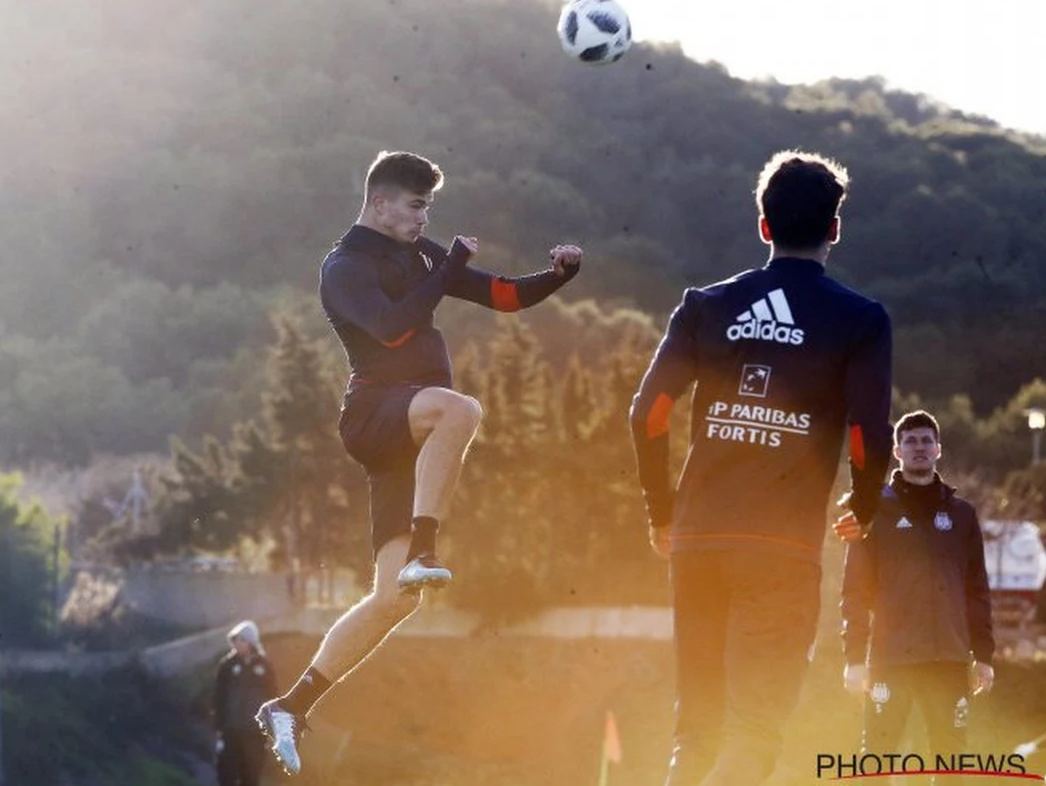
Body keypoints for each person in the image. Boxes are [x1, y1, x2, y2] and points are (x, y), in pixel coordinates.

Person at [255, 150, 583, 775]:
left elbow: (502, 296)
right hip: (376, 416)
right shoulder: (344, 266)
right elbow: (393, 331)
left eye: (427, 207)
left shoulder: (425, 255)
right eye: (414, 206)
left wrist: (559, 274)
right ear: (379, 203)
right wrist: (450, 261)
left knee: (392, 601)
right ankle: (425, 549)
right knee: (461, 411)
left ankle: (291, 704)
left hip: (411, 428)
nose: (422, 217)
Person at [628, 149, 893, 785]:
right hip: (781, 548)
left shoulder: (705, 306)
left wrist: (663, 512)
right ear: (835, 228)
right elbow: (864, 433)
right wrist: (865, 505)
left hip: (698, 539)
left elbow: (649, 416)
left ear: (763, 225)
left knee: (696, 727)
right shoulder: (860, 320)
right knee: (754, 730)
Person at [841, 410, 995, 776]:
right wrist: (853, 657)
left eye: (927, 441)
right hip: (890, 659)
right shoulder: (873, 510)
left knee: (952, 762)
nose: (919, 448)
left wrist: (984, 655)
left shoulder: (962, 515)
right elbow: (854, 589)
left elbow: (977, 589)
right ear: (897, 451)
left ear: (939, 450)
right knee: (876, 760)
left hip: (949, 659)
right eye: (910, 441)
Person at [214, 620, 280, 786]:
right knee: (226, 775)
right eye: (235, 640)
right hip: (231, 731)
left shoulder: (265, 667)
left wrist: (272, 729)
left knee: (251, 777)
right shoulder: (227, 666)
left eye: (242, 640)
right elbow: (218, 697)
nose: (237, 644)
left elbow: (273, 698)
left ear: (251, 642)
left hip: (255, 734)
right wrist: (219, 726)